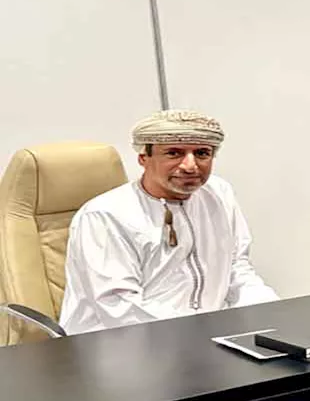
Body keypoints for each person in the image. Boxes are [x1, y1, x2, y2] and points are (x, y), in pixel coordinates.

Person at [59, 110, 279, 334]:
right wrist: (203, 333)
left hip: (205, 336)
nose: (190, 166)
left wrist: (274, 314)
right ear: (143, 158)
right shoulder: (105, 215)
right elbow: (119, 307)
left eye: (202, 153)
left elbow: (237, 269)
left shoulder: (219, 194)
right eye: (174, 153)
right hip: (119, 341)